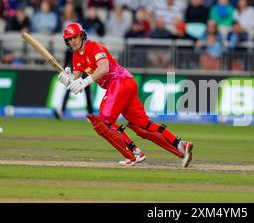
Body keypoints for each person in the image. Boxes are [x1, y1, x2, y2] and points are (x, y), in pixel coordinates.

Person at [58, 23, 194, 167]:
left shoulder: (94, 47)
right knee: (143, 126)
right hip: (124, 84)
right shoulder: (76, 56)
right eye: (69, 39)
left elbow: (104, 68)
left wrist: (85, 81)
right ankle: (181, 146)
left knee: (103, 122)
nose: (72, 41)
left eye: (75, 37)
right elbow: (76, 82)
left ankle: (134, 153)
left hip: (119, 82)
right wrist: (68, 79)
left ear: (82, 35)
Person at [53, 50, 94, 120]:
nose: (72, 41)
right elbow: (67, 61)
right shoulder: (69, 50)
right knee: (68, 90)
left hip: (84, 72)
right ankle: (61, 111)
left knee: (87, 93)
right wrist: (65, 70)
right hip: (72, 72)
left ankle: (90, 114)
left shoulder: (83, 49)